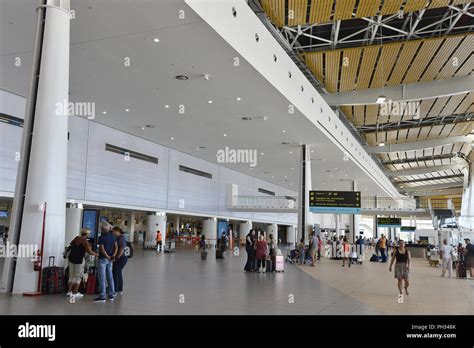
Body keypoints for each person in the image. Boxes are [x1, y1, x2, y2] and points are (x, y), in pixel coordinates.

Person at [67, 229, 98, 297]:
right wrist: (96, 254)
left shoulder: (76, 238)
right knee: (78, 276)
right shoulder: (85, 241)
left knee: (71, 275)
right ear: (87, 234)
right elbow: (89, 252)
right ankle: (75, 292)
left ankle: (69, 292)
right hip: (79, 260)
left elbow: (71, 244)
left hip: (71, 258)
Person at [94, 222, 117, 302]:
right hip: (110, 259)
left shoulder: (101, 237)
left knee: (102, 277)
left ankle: (102, 296)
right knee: (110, 276)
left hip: (103, 259)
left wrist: (107, 257)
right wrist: (112, 256)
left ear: (102, 229)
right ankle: (111, 294)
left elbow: (102, 249)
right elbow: (116, 247)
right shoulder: (112, 236)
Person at [112, 227, 128, 295]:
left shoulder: (121, 238)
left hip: (121, 258)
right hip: (121, 258)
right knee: (118, 273)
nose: (112, 233)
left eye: (113, 231)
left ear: (117, 231)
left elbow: (121, 249)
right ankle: (119, 289)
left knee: (115, 273)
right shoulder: (118, 238)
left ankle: (115, 290)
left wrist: (116, 257)